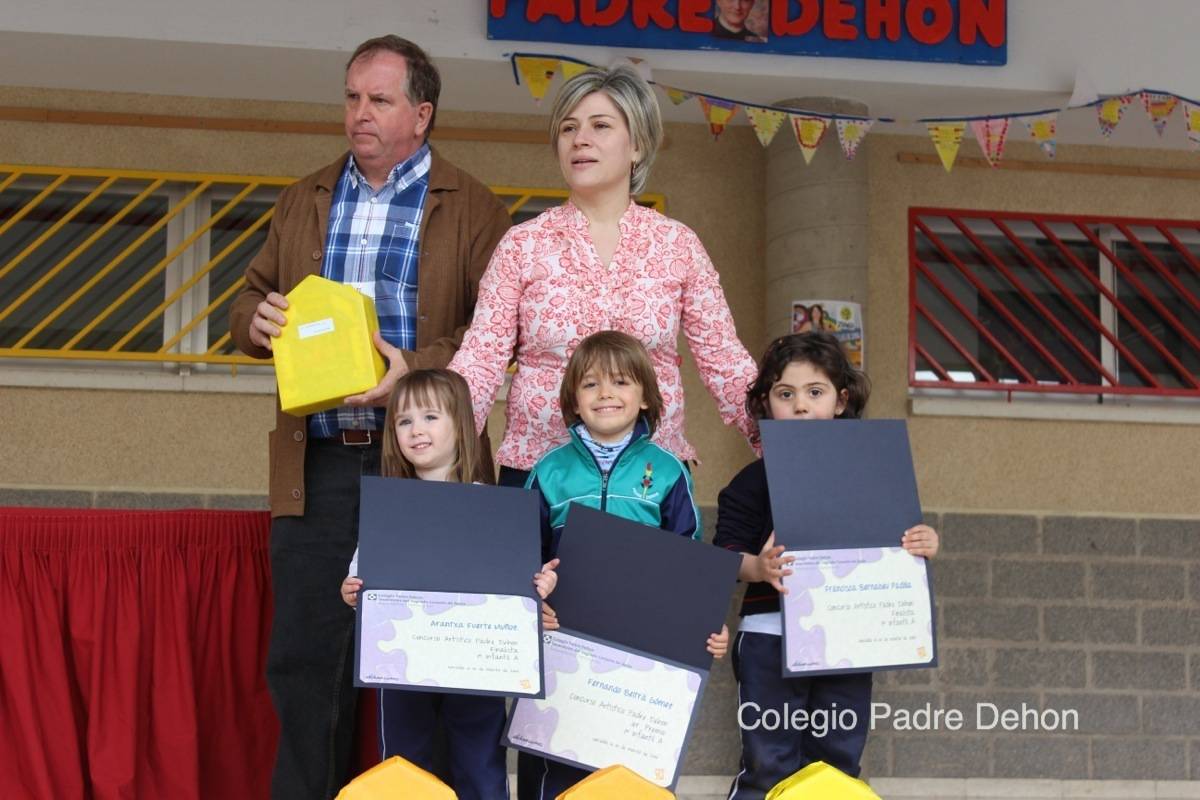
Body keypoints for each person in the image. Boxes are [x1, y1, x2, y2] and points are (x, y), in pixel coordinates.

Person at [228, 35, 511, 800]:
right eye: (352, 97)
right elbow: (248, 296)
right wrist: (254, 321)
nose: (359, 114)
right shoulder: (305, 196)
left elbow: (499, 335)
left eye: (379, 100)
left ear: (421, 114)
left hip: (426, 470)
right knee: (306, 663)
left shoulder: (474, 204)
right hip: (318, 465)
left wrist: (413, 373)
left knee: (437, 665)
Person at [448, 64, 758, 490]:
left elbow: (726, 362)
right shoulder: (523, 244)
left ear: (638, 146)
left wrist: (791, 444)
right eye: (568, 128)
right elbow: (480, 361)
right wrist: (442, 444)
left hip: (650, 481)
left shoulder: (677, 244)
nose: (580, 139)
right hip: (540, 473)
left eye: (600, 125)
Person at [714, 332, 940, 798]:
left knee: (837, 762)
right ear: (766, 405)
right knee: (767, 762)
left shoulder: (874, 476)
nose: (800, 406)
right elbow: (723, 558)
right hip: (769, 637)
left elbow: (897, 545)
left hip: (847, 639)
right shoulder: (751, 482)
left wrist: (922, 541)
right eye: (785, 394)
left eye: (814, 393)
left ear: (841, 401)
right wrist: (758, 567)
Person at [518, 331, 730, 799]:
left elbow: (689, 561)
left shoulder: (669, 471)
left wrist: (706, 626)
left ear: (647, 397)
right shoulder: (548, 472)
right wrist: (534, 608)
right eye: (591, 384)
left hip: (641, 652)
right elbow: (523, 560)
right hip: (563, 644)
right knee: (553, 760)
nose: (606, 394)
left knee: (628, 771)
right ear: (573, 398)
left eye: (621, 382)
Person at [340, 369, 558, 800]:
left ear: (461, 424)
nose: (416, 430)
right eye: (404, 421)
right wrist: (351, 591)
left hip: (477, 661)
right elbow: (362, 575)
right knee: (403, 764)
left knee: (480, 763)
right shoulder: (390, 504)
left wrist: (542, 583)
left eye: (429, 417)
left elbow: (522, 582)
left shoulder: (491, 504)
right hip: (401, 658)